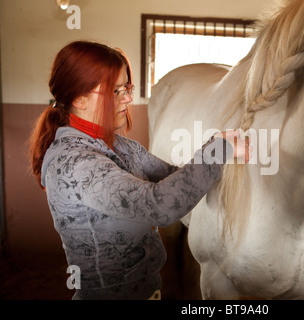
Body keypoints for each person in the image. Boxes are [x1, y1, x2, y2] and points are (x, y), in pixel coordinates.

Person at [28, 40, 251, 300]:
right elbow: (160, 206)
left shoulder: (123, 146)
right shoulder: (74, 163)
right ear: (80, 98)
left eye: (127, 87)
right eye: (115, 91)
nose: (129, 98)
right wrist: (217, 150)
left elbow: (175, 178)